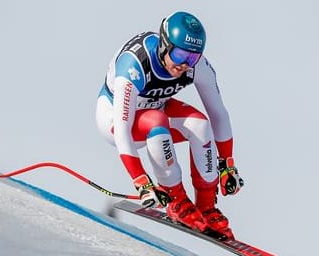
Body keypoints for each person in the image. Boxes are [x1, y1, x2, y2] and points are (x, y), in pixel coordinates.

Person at [95, 11, 244, 238]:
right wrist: (142, 182)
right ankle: (176, 200)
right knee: (156, 120)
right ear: (165, 45)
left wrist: (227, 165)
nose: (184, 64)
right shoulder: (134, 64)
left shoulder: (197, 66)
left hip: (157, 107)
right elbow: (123, 129)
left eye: (192, 58)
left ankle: (206, 208)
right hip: (115, 120)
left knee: (201, 125)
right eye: (180, 55)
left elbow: (218, 115)